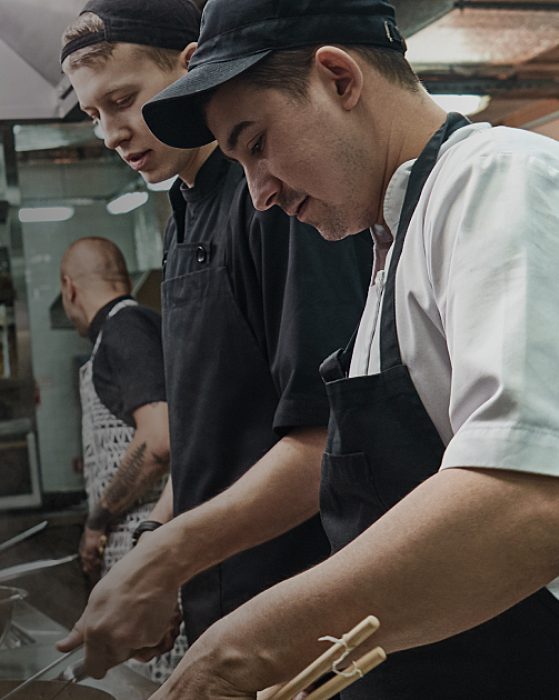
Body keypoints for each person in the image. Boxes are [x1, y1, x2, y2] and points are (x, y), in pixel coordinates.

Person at [135, 0, 559, 697]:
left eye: (256, 144)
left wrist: (249, 644)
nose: (258, 194)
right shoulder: (391, 242)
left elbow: (533, 504)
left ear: (340, 79)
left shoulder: (505, 184)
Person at [54, 0, 373, 680]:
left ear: (189, 68)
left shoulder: (279, 202)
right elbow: (214, 437)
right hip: (222, 614)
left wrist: (167, 557)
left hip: (301, 618)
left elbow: (329, 440)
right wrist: (158, 547)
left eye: (123, 99)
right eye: (92, 114)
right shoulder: (182, 216)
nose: (110, 133)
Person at [58, 236, 183, 683]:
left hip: (151, 548)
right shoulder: (130, 326)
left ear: (69, 288)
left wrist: (97, 519)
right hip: (144, 555)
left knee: (163, 684)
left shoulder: (124, 328)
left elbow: (160, 438)